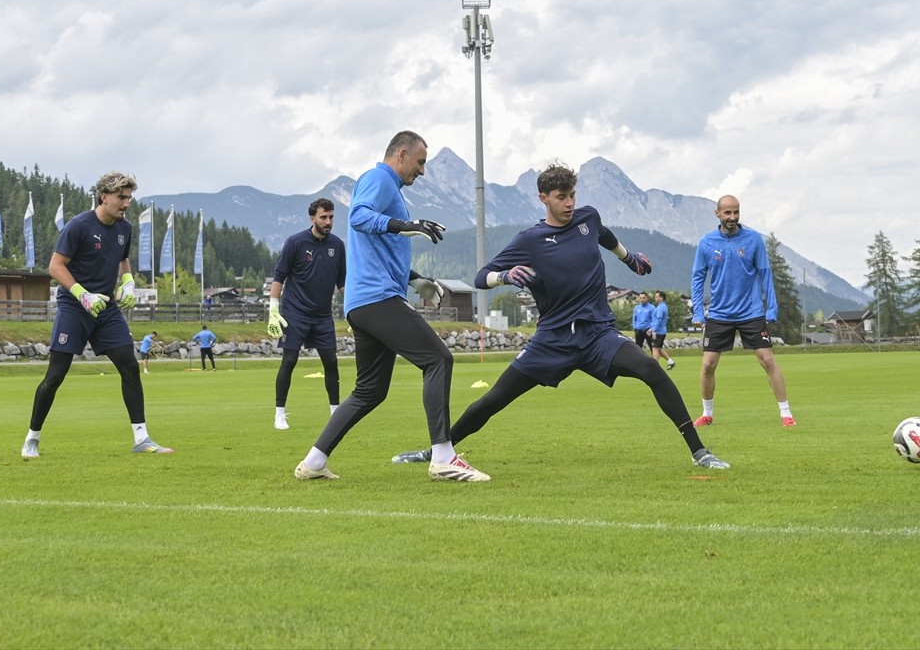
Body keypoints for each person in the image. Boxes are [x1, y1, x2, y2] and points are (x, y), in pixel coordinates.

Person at [390, 163, 730, 472]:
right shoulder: (531, 240)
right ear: (544, 198)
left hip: (598, 335)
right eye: (561, 197)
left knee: (651, 370)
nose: (569, 203)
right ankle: (437, 451)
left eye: (573, 195)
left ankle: (699, 452)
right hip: (552, 341)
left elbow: (606, 235)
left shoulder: (588, 219)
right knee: (494, 399)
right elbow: (481, 276)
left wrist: (630, 260)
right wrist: (505, 277)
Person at [293, 130, 482, 483]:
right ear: (401, 154)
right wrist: (406, 225)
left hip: (365, 301)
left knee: (370, 390)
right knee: (438, 359)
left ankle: (314, 462)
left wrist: (415, 280)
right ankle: (443, 457)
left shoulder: (388, 188)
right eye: (421, 162)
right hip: (377, 299)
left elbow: (378, 249)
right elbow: (360, 218)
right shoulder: (379, 178)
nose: (422, 171)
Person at [20, 171, 173, 458]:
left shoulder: (124, 228)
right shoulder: (78, 226)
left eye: (129, 198)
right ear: (104, 197)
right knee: (55, 375)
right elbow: (55, 266)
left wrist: (128, 281)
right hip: (74, 307)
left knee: (129, 366)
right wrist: (82, 294)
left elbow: (123, 259)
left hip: (106, 309)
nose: (126, 203)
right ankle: (32, 438)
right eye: (121, 198)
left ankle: (142, 439)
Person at [690, 195, 795, 428]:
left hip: (751, 311)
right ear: (717, 214)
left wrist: (771, 309)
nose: (733, 217)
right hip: (719, 314)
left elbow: (765, 274)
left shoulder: (753, 239)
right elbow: (697, 278)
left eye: (736, 212)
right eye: (727, 213)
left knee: (767, 360)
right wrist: (698, 312)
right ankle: (707, 414)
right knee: (708, 364)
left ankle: (786, 414)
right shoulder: (706, 243)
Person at [267, 198, 347, 430]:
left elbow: (342, 282)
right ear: (312, 218)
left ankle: (335, 414)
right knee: (289, 360)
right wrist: (273, 310)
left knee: (331, 362)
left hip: (322, 316)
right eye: (323, 217)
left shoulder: (338, 245)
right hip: (294, 314)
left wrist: (353, 307)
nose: (328, 221)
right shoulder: (295, 242)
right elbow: (279, 277)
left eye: (331, 217)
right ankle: (279, 414)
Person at [650, 290, 675, 370]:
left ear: (661, 298)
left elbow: (659, 319)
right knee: (659, 348)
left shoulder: (661, 307)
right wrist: (651, 328)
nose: (655, 298)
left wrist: (654, 330)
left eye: (657, 296)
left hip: (659, 331)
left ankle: (655, 367)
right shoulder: (662, 306)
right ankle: (670, 361)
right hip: (661, 330)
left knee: (655, 348)